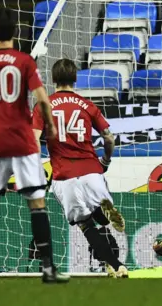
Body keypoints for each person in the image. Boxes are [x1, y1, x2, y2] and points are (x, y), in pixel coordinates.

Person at [0, 8, 68, 284]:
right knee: (37, 203)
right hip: (22, 142)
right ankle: (47, 268)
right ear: (15, 34)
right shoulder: (24, 61)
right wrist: (51, 126)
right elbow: (42, 99)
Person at [32, 58, 128, 278]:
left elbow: (34, 140)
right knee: (100, 217)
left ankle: (117, 265)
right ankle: (101, 210)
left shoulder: (42, 106)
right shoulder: (88, 105)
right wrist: (106, 160)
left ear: (53, 79)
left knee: (86, 227)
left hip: (63, 174)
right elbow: (109, 137)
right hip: (91, 169)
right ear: (75, 79)